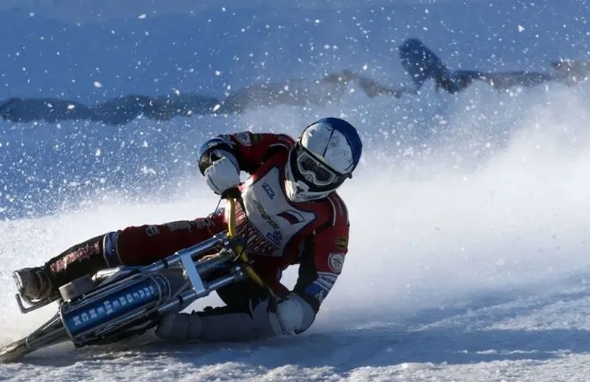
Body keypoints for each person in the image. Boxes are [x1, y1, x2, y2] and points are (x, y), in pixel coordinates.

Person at [12, 117, 362, 342]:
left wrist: (301, 307)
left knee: (272, 322)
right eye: (305, 165)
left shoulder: (333, 219)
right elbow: (220, 143)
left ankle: (192, 329)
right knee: (133, 240)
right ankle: (45, 277)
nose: (308, 179)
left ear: (340, 181)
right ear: (297, 151)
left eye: (323, 176)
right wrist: (218, 162)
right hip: (213, 230)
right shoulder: (276, 147)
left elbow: (320, 280)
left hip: (255, 272)